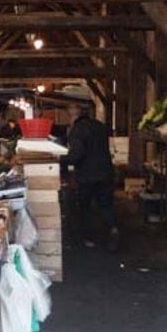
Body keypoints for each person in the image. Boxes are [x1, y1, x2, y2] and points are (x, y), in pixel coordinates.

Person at [62, 103, 119, 252]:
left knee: (85, 208)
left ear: (76, 111)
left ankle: (89, 239)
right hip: (106, 172)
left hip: (87, 176)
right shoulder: (99, 126)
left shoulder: (77, 129)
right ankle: (112, 229)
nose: (68, 111)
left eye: (69, 109)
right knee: (106, 205)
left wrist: (60, 159)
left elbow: (77, 155)